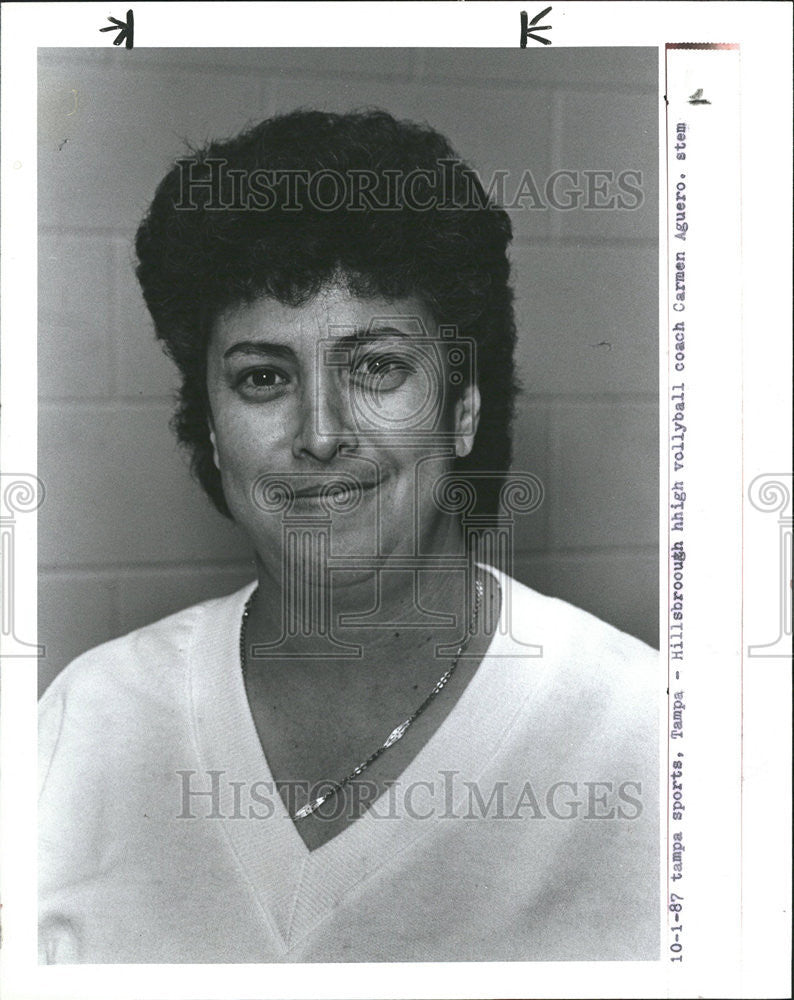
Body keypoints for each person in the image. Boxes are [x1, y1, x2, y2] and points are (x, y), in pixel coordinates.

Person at [38, 109, 658, 963]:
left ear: (464, 408)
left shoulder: (646, 736)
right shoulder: (89, 719)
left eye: (377, 367)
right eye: (263, 378)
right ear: (213, 430)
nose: (321, 433)